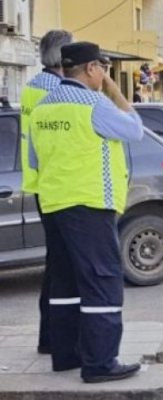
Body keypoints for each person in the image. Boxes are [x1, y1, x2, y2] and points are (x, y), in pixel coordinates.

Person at [29, 41, 144, 382]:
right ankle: (100, 363)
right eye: (104, 69)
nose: (105, 75)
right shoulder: (93, 104)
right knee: (102, 281)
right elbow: (135, 128)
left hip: (53, 204)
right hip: (89, 204)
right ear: (92, 68)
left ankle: (66, 356)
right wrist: (112, 88)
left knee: (64, 282)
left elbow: (36, 159)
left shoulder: (44, 108)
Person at [20, 29, 73, 356]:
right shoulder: (58, 91)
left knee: (55, 263)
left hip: (40, 183)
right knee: (62, 266)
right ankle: (56, 339)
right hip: (57, 186)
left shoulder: (31, 89)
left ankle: (48, 336)